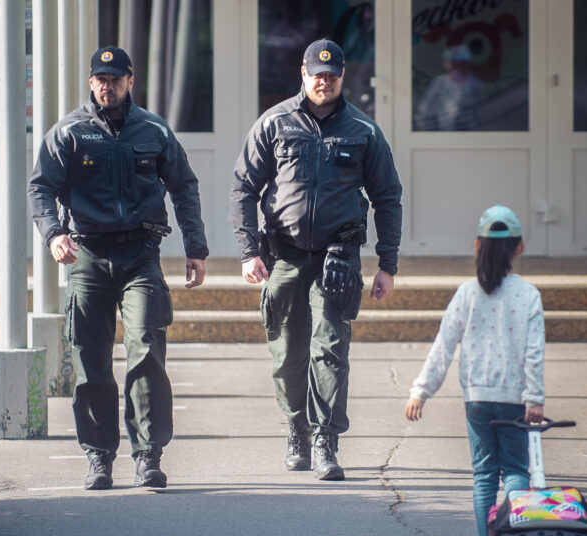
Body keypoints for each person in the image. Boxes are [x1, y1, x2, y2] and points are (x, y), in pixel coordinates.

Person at [28, 46, 209, 490]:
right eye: (100, 79)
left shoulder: (153, 130)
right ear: (91, 83)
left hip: (140, 255)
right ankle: (99, 457)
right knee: (91, 361)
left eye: (116, 79)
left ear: (130, 81)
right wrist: (54, 234)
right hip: (87, 255)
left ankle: (148, 455)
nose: (107, 86)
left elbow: (184, 186)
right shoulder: (69, 132)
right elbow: (40, 188)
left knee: (146, 351)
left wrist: (196, 248)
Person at [231, 39, 402, 481]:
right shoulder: (274, 123)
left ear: (342, 77)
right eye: (316, 74)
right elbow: (243, 188)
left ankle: (326, 440)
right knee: (287, 352)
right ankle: (297, 429)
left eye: (331, 74)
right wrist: (249, 251)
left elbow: (388, 197)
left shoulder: (363, 131)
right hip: (283, 255)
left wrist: (388, 264)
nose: (323, 81)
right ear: (303, 75)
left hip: (338, 256)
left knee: (330, 349)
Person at [404, 205, 544, 536]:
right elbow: (534, 352)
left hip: (477, 399)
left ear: (477, 246)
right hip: (515, 399)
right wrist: (534, 397)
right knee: (516, 471)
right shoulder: (528, 295)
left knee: (484, 475)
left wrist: (421, 390)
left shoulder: (467, 294)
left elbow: (444, 345)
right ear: (520, 248)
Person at [414, 45, 488, 131]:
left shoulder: (475, 84)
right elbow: (424, 110)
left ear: (466, 64)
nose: (456, 68)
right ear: (447, 65)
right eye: (453, 64)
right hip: (445, 133)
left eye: (459, 63)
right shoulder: (440, 82)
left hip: (469, 134)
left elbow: (481, 111)